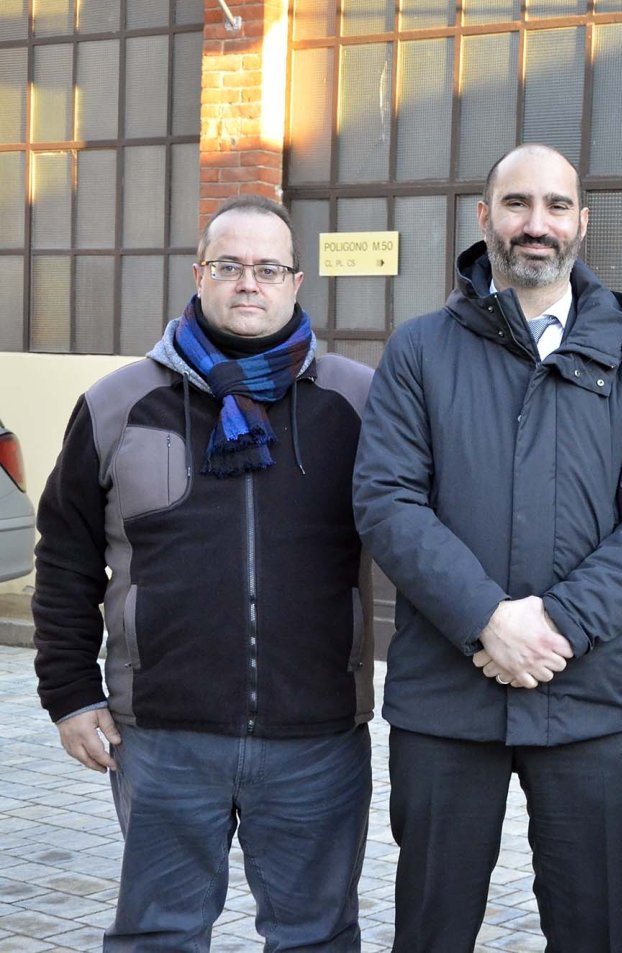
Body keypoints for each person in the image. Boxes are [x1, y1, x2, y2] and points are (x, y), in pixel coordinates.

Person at [352, 143, 622, 953]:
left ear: (582, 221)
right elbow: (386, 499)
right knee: (432, 929)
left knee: (591, 931)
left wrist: (556, 624)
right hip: (447, 698)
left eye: (554, 206)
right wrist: (484, 618)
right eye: (516, 204)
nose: (534, 224)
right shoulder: (419, 351)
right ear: (484, 219)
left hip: (587, 699)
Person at [32, 194, 375, 951]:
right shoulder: (117, 404)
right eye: (229, 265)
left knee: (317, 936)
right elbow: (64, 554)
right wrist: (69, 692)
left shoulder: (359, 402)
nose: (247, 282)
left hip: (315, 738)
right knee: (160, 934)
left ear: (296, 281)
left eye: (267, 267)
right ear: (198, 273)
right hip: (162, 737)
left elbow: (424, 530)